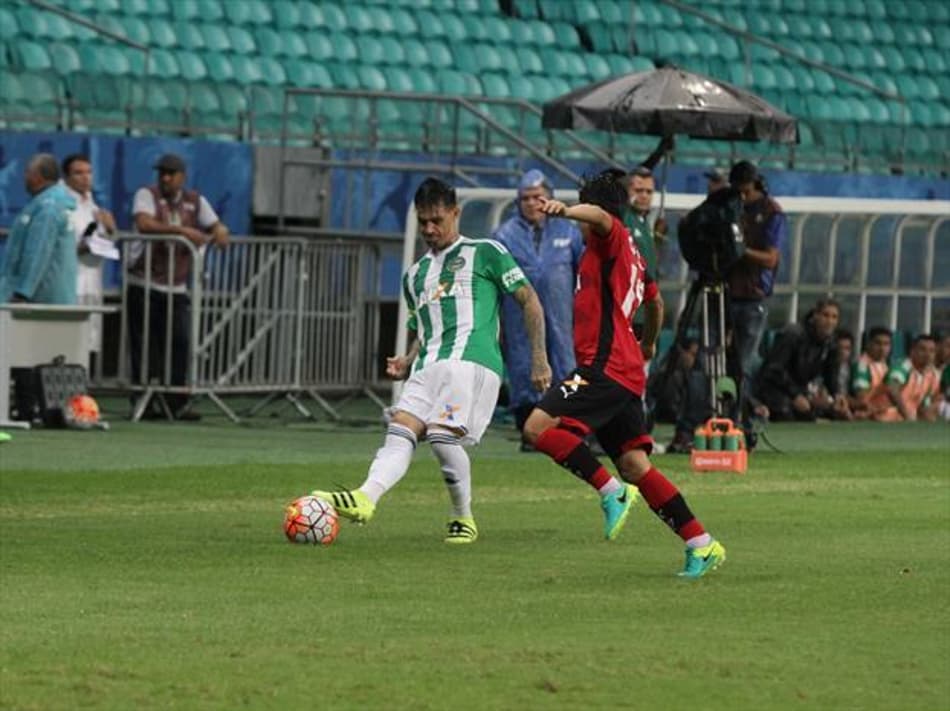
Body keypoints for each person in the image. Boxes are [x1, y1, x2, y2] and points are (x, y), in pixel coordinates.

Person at [312, 178, 550, 544]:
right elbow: (426, 326)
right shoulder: (415, 275)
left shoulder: (485, 251)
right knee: (400, 430)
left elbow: (529, 299)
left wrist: (539, 358)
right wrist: (407, 359)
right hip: (428, 367)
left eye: (437, 220)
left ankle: (463, 517)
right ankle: (365, 497)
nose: (429, 229)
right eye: (423, 221)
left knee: (440, 436)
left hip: (471, 362)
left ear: (456, 213)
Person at [523, 169, 726, 579]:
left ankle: (611, 492)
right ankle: (701, 543)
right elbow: (657, 305)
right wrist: (648, 343)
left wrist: (564, 209)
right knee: (635, 464)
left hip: (604, 368)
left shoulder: (609, 236)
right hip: (627, 371)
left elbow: (600, 218)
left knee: (536, 427)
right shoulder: (633, 254)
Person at [129, 153, 230, 419]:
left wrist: (220, 230)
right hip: (145, 282)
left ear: (182, 177)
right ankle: (145, 401)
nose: (165, 178)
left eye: (171, 173)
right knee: (145, 346)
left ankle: (176, 402)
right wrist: (183, 232)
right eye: (162, 172)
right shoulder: (146, 194)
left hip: (176, 286)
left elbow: (216, 224)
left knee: (180, 345)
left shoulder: (195, 201)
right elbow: (144, 223)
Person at [492, 169, 583, 449]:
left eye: (537, 197)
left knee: (567, 368)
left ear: (550, 198)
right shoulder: (504, 236)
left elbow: (583, 277)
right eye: (525, 198)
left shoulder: (569, 232)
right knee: (523, 368)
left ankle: (569, 430)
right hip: (519, 322)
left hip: (562, 320)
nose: (532, 203)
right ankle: (529, 432)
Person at [725, 160, 787, 440]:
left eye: (746, 191)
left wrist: (740, 250)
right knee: (720, 361)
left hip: (754, 296)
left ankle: (744, 422)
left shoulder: (771, 211)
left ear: (755, 186)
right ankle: (728, 418)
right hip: (726, 290)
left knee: (743, 364)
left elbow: (771, 258)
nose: (742, 196)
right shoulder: (730, 207)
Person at [62, 153, 117, 371]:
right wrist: (83, 246)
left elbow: (104, 241)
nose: (86, 178)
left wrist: (111, 229)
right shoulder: (63, 204)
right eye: (78, 173)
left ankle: (81, 394)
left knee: (88, 341)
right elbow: (63, 246)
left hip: (92, 282)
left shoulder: (94, 207)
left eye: (89, 172)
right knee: (67, 342)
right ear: (66, 177)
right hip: (70, 282)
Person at [0, 153, 77, 304]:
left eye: (27, 173)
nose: (24, 178)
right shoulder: (49, 203)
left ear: (37, 176)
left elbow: (38, 251)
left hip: (40, 299)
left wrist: (22, 292)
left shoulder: (48, 208)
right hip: (48, 297)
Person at [755, 297, 843, 421]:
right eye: (826, 315)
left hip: (800, 391)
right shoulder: (793, 335)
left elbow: (831, 375)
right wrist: (795, 395)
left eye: (834, 317)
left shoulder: (831, 344)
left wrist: (837, 395)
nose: (830, 321)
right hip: (774, 389)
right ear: (815, 316)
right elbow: (774, 370)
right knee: (787, 413)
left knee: (829, 412)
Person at [881, 333, 941, 422]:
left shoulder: (933, 375)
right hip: (884, 418)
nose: (927, 354)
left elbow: (925, 405)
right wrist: (907, 417)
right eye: (922, 349)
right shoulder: (902, 366)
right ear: (912, 351)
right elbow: (892, 390)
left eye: (932, 351)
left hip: (907, 422)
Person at [851, 326, 893, 420]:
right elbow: (862, 400)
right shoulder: (862, 366)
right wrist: (884, 386)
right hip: (871, 415)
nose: (882, 348)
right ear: (868, 344)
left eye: (886, 344)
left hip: (883, 412)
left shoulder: (885, 365)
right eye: (878, 343)